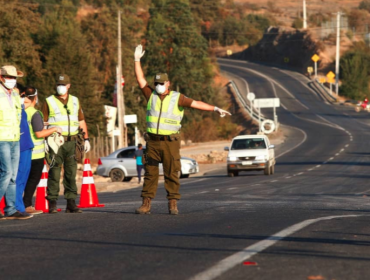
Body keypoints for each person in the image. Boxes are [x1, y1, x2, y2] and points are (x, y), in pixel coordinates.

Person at [134, 44, 231, 215]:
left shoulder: (177, 98)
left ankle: (172, 204)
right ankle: (146, 204)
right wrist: (136, 60)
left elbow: (196, 104)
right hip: (152, 142)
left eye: (161, 83)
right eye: (156, 83)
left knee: (172, 173)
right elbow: (140, 79)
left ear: (168, 83)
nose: (158, 86)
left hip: (170, 142)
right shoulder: (151, 95)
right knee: (150, 174)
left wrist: (215, 108)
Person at [41, 74, 90, 214]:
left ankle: (71, 203)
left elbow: (81, 121)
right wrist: (44, 141)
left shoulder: (75, 101)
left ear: (69, 86)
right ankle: (52, 203)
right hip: (55, 142)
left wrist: (86, 139)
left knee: (71, 173)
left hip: (72, 142)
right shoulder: (49, 101)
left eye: (63, 84)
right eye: (58, 84)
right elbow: (43, 123)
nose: (60, 87)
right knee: (54, 172)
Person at [23, 87, 62, 215]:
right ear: (35, 98)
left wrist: (43, 124)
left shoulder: (22, 112)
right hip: (36, 154)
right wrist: (54, 129)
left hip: (22, 151)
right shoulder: (35, 113)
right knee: (33, 180)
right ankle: (27, 204)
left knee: (20, 179)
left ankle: (14, 204)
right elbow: (39, 134)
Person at [0, 65, 31, 220]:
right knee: (6, 173)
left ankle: (10, 209)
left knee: (13, 175)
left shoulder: (14, 96)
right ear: (1, 77)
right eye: (9, 77)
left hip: (14, 138)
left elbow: (19, 115)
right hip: (2, 139)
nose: (12, 80)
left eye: (14, 78)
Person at [14, 84, 34, 218]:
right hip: (18, 146)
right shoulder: (12, 109)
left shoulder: (22, 109)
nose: (21, 97)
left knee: (23, 178)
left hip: (26, 146)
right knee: (16, 178)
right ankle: (17, 207)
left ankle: (19, 206)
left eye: (22, 95)